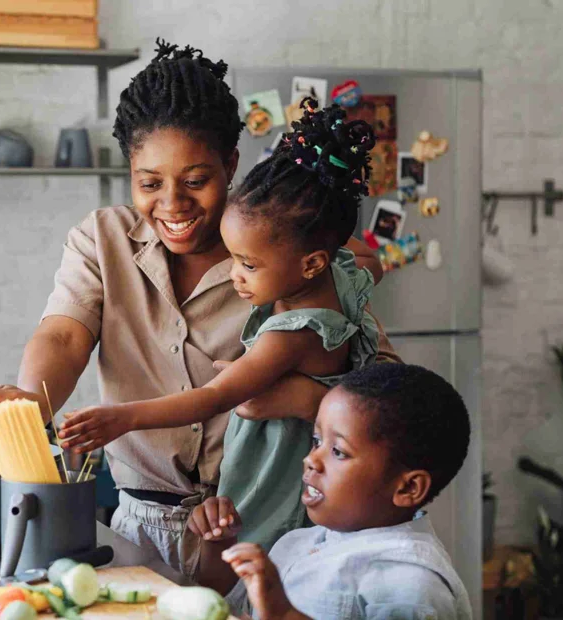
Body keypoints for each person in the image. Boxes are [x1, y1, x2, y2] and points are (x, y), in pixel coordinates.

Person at [0, 40, 401, 575]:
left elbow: (387, 391)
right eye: (149, 184)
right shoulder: (102, 239)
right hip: (142, 528)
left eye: (195, 181)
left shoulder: (290, 255)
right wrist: (28, 407)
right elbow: (64, 337)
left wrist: (303, 399)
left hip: (270, 525)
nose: (172, 204)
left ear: (230, 163)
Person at [60, 99, 382, 556]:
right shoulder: (339, 279)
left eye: (247, 264)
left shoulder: (289, 332)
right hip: (189, 512)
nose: (235, 276)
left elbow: (214, 397)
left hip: (261, 505)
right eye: (149, 182)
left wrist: (123, 417)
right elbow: (371, 260)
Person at [207, 364, 473, 619]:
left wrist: (285, 616)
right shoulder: (296, 543)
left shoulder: (411, 586)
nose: (310, 459)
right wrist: (221, 544)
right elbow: (240, 608)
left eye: (338, 452)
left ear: (407, 487)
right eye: (316, 441)